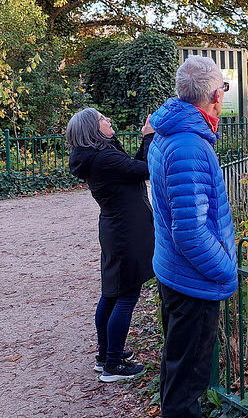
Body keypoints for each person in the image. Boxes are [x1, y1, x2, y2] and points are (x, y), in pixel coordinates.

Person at [148, 56, 238, 418]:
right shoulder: (189, 147)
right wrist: (225, 269)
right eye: (224, 90)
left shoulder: (168, 132)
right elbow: (190, 232)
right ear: (215, 96)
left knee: (176, 370)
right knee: (187, 388)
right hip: (194, 282)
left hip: (175, 273)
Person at [66, 108, 155, 382]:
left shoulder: (99, 156)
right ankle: (113, 365)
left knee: (112, 293)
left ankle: (106, 355)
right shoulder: (104, 158)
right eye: (103, 119)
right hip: (126, 233)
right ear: (93, 129)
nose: (109, 121)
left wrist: (145, 139)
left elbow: (133, 172)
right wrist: (150, 137)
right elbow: (148, 169)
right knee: (126, 295)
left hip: (116, 230)